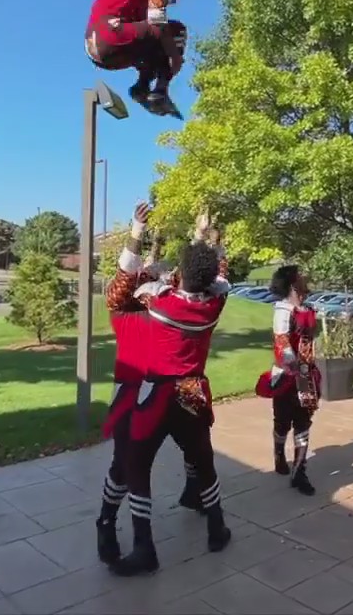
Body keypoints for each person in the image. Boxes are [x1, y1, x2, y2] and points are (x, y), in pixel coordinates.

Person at [111, 204, 232, 576]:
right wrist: (208, 238)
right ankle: (216, 527)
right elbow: (214, 274)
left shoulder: (158, 301)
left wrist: (137, 231)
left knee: (137, 464)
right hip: (192, 394)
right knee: (203, 462)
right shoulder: (214, 305)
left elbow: (121, 289)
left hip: (155, 395)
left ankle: (144, 546)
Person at [95, 223, 203, 567]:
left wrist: (199, 238)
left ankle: (193, 492)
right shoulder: (122, 310)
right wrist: (136, 233)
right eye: (145, 280)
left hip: (165, 391)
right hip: (131, 395)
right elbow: (123, 284)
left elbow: (189, 279)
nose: (154, 284)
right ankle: (107, 522)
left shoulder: (163, 308)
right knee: (124, 468)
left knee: (195, 444)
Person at [84, 0, 189, 116]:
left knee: (154, 42)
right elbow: (157, 20)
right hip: (111, 34)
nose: (174, 0)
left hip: (95, 47)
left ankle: (141, 88)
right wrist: (175, 58)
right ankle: (161, 90)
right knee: (175, 30)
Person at [254, 265, 319, 496]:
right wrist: (294, 365)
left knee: (303, 422)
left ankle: (300, 471)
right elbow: (282, 341)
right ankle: (279, 453)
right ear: (293, 284)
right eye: (301, 276)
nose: (305, 278)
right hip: (288, 375)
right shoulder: (283, 310)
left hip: (306, 375)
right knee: (282, 421)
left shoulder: (307, 308)